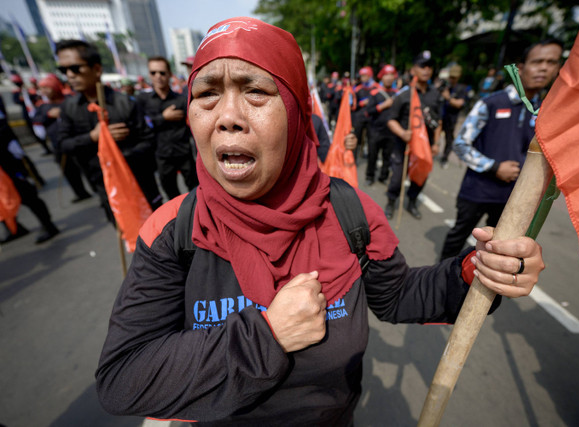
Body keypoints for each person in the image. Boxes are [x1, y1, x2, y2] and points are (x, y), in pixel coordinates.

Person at [95, 17, 545, 425]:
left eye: (256, 91)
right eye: (207, 94)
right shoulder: (174, 230)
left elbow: (400, 296)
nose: (227, 118)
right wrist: (266, 337)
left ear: (295, 112)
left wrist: (476, 271)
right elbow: (124, 377)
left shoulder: (349, 213)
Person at [440, 39, 563, 261]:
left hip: (514, 198)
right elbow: (460, 144)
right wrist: (494, 167)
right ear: (520, 68)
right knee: (458, 238)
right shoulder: (490, 103)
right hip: (477, 191)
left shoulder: (547, 111)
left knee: (499, 253)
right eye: (538, 61)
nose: (544, 68)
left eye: (552, 62)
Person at [56, 39, 163, 224]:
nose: (69, 75)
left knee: (160, 233)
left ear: (96, 69)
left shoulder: (127, 103)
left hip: (139, 183)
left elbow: (149, 141)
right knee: (129, 236)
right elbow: (63, 145)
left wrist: (120, 157)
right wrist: (93, 137)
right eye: (63, 70)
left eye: (75, 68)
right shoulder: (68, 108)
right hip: (105, 187)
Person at [384, 51, 443, 220]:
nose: (426, 70)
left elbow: (439, 122)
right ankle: (391, 202)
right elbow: (391, 120)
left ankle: (411, 202)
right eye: (422, 66)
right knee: (396, 178)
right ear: (413, 70)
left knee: (420, 177)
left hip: (424, 147)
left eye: (429, 66)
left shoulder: (435, 94)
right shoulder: (404, 94)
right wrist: (402, 133)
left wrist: (436, 143)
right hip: (404, 145)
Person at [138, 56, 198, 200]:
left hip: (184, 153)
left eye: (162, 73)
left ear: (169, 74)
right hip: (161, 155)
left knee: (195, 193)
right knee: (171, 194)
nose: (158, 77)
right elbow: (141, 127)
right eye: (153, 73)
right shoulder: (143, 100)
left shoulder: (181, 99)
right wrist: (163, 118)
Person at [0, 106, 60, 244]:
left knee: (28, 196)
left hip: (8, 164)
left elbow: (5, 133)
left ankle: (48, 226)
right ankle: (13, 228)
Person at [32, 74, 93, 203]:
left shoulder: (70, 101)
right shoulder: (43, 107)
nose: (44, 92)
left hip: (78, 141)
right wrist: (48, 115)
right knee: (69, 171)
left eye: (47, 88)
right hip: (59, 144)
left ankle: (97, 191)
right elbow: (37, 121)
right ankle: (80, 192)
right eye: (42, 89)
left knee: (88, 168)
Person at [364, 64, 398, 185]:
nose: (389, 78)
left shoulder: (397, 94)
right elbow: (368, 111)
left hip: (390, 132)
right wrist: (383, 106)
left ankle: (383, 176)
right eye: (386, 75)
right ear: (382, 77)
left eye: (391, 75)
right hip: (375, 130)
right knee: (372, 154)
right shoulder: (374, 92)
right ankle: (370, 176)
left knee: (387, 156)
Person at [439, 64, 468, 168]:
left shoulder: (461, 89)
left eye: (454, 77)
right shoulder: (446, 86)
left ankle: (444, 158)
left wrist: (448, 98)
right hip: (441, 116)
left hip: (451, 118)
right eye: (451, 77)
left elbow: (459, 103)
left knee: (449, 139)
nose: (452, 79)